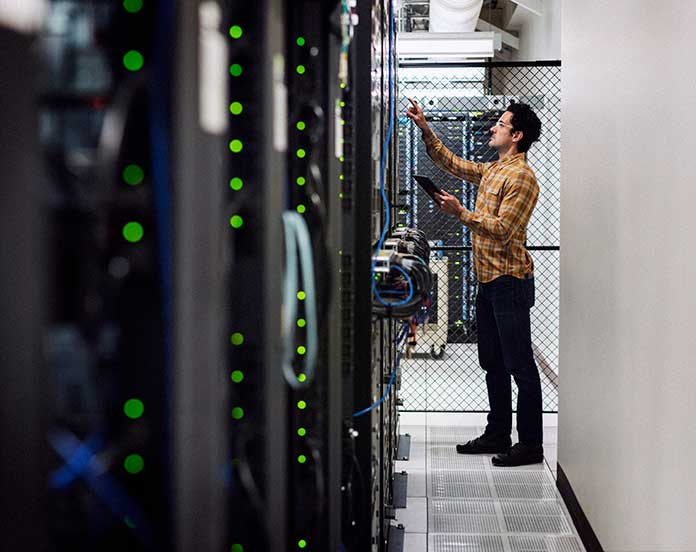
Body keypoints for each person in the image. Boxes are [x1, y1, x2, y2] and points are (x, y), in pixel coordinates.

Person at [406, 99, 544, 467]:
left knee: (520, 366)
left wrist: (460, 213)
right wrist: (425, 128)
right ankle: (498, 432)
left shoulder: (522, 178)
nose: (493, 128)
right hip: (487, 280)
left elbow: (502, 230)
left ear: (516, 136)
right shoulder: (494, 170)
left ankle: (531, 444)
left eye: (500, 124)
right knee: (492, 362)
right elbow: (452, 163)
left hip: (510, 281)